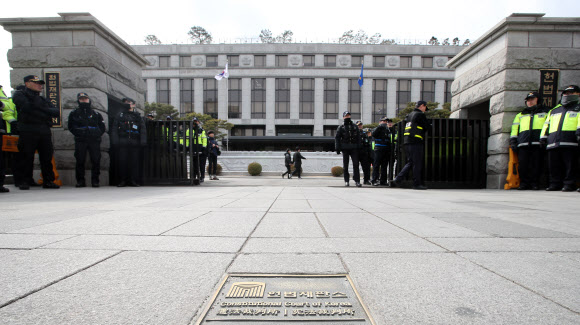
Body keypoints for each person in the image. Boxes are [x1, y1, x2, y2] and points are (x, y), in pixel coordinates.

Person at [11, 75, 60, 190]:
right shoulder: (20, 94)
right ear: (27, 83)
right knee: (26, 156)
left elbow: (55, 112)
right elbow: (27, 108)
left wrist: (40, 109)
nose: (40, 85)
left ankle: (48, 181)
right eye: (36, 83)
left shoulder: (43, 99)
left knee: (46, 157)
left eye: (40, 83)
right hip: (28, 129)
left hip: (44, 130)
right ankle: (24, 180)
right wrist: (45, 111)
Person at [540, 85, 580, 192]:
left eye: (572, 92)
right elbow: (546, 125)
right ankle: (555, 184)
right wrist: (543, 137)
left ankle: (569, 184)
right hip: (553, 141)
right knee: (554, 165)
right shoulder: (554, 110)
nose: (568, 95)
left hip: (570, 141)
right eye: (566, 93)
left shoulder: (578, 107)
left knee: (570, 165)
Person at [509, 91, 550, 190]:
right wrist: (513, 141)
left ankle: (535, 183)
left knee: (537, 165)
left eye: (532, 99)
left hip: (538, 143)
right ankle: (524, 183)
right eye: (528, 100)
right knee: (523, 165)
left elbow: (548, 126)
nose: (530, 102)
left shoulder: (545, 112)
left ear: (538, 100)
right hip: (523, 143)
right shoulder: (520, 114)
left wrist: (545, 139)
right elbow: (514, 129)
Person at [68, 93, 106, 188]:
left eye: (85, 99)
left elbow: (102, 127)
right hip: (81, 140)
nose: (84, 101)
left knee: (96, 160)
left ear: (89, 100)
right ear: (78, 100)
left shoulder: (96, 114)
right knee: (80, 160)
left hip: (94, 140)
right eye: (81, 99)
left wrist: (96, 134)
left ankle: (95, 181)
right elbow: (71, 126)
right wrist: (79, 133)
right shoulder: (74, 113)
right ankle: (80, 181)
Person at [391, 101, 431, 190]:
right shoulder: (420, 115)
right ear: (422, 106)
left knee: (411, 162)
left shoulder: (409, 115)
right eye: (425, 108)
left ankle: (398, 179)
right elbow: (427, 127)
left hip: (407, 141)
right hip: (416, 141)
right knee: (417, 163)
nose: (425, 110)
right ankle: (416, 184)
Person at [111, 97, 146, 187]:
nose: (127, 104)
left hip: (135, 142)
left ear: (133, 104)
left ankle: (133, 180)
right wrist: (115, 141)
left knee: (134, 162)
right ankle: (123, 180)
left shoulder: (137, 116)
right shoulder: (120, 115)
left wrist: (142, 141)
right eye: (125, 102)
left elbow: (142, 129)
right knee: (122, 162)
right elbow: (114, 129)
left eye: (129, 102)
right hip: (123, 142)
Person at [335, 111, 362, 187]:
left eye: (348, 116)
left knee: (356, 164)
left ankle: (357, 180)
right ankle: (346, 180)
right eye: (346, 116)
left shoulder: (354, 126)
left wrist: (359, 146)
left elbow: (358, 138)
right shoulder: (341, 127)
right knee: (345, 165)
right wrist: (337, 148)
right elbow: (337, 138)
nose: (347, 117)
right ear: (343, 117)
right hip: (345, 148)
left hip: (354, 148)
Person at [372, 117, 392, 186]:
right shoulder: (377, 128)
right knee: (376, 165)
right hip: (378, 148)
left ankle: (383, 180)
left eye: (386, 121)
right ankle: (374, 180)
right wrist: (380, 127)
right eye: (384, 121)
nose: (385, 122)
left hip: (386, 149)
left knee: (384, 166)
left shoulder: (388, 130)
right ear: (380, 122)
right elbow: (374, 134)